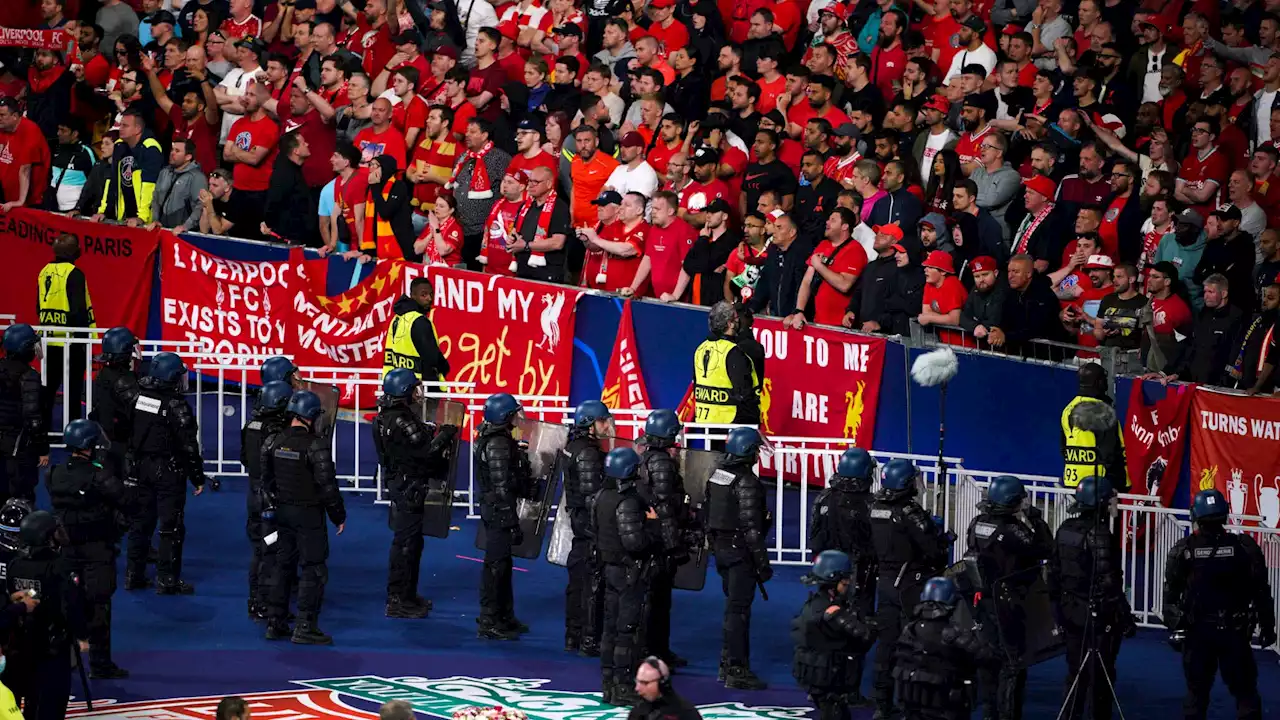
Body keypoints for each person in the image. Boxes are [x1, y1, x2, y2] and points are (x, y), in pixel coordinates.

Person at [1164, 489, 1276, 720]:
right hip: (1234, 633)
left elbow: (1170, 597)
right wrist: (1267, 627)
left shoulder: (1184, 550)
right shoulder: (1245, 547)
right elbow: (1262, 592)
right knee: (1246, 696)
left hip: (1199, 634)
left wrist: (1178, 627)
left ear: (1196, 515)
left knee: (1196, 696)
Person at [260, 390, 347, 645]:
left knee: (282, 564)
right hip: (309, 515)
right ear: (310, 416)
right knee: (314, 569)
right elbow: (327, 485)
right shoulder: (315, 445)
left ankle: (275, 622)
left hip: (282, 513)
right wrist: (338, 515)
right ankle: (305, 626)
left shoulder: (273, 441)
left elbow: (265, 481)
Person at [965, 474, 1053, 720]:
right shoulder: (1012, 529)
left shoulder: (977, 522)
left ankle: (989, 713)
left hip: (982, 600)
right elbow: (1045, 548)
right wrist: (1035, 518)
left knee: (989, 658)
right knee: (1013, 664)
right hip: (1009, 603)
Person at [869, 458, 952, 718]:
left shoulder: (875, 507)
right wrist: (941, 537)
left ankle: (882, 704)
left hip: (884, 582)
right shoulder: (910, 512)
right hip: (910, 585)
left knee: (886, 644)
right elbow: (934, 553)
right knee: (913, 647)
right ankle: (909, 706)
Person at [373, 369, 458, 620]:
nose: (417, 393)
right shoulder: (402, 420)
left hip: (399, 483)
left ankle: (406, 594)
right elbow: (427, 452)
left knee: (409, 542)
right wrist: (446, 434)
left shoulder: (383, 418)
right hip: (410, 486)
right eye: (413, 388)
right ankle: (398, 599)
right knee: (406, 544)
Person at [1048, 475, 1134, 720]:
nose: (1114, 505)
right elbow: (1109, 582)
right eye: (1111, 501)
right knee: (1101, 676)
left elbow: (1053, 574)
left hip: (1070, 612)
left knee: (1075, 672)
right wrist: (1124, 618)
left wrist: (1058, 610)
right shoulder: (1100, 535)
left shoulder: (1064, 529)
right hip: (1096, 617)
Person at [48, 419, 128, 680]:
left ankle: (64, 658)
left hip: (67, 547)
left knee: (67, 602)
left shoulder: (55, 473)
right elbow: (125, 500)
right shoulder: (99, 474)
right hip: (97, 549)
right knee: (99, 605)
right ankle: (100, 664)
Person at [125, 352, 206, 594]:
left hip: (139, 468)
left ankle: (134, 575)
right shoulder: (176, 406)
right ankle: (167, 579)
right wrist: (197, 477)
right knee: (171, 527)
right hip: (168, 472)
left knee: (141, 523)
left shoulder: (138, 396)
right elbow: (189, 446)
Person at [807, 447, 877, 707]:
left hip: (827, 576)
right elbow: (875, 545)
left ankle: (821, 684)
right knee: (857, 630)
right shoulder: (869, 504)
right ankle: (850, 689)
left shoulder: (824, 498)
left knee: (825, 629)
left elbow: (815, 539)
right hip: (859, 577)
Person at [4, 511, 88, 720]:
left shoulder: (15, 565)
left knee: (29, 697)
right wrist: (82, 635)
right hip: (53, 644)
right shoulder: (60, 566)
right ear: (47, 537)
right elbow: (72, 604)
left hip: (21, 643)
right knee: (52, 701)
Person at [593, 446, 659, 705]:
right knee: (626, 630)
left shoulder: (601, 496)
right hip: (629, 572)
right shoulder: (628, 502)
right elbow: (635, 543)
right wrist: (652, 526)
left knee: (610, 628)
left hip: (608, 569)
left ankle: (609, 682)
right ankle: (623, 686)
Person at [708, 426, 772, 690]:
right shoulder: (746, 481)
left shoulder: (718, 475)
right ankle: (736, 668)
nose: (758, 454)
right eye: (756, 449)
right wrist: (762, 563)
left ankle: (728, 664)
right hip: (739, 554)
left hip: (722, 551)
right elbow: (751, 529)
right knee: (738, 612)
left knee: (733, 609)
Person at [891, 576, 993, 720]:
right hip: (945, 710)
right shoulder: (952, 634)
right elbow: (987, 656)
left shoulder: (909, 630)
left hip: (912, 708)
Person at [792, 550, 877, 720]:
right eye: (845, 580)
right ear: (834, 581)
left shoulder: (813, 604)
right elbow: (865, 637)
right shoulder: (833, 611)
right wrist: (873, 625)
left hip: (815, 677)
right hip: (830, 680)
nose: (848, 583)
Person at [474, 392, 530, 640]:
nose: (518, 417)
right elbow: (501, 488)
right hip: (498, 511)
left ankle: (504, 615)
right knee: (496, 566)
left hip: (498, 510)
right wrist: (512, 521)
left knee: (503, 565)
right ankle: (489, 619)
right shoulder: (497, 443)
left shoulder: (499, 439)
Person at [635, 408, 688, 669]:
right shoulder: (662, 464)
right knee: (658, 600)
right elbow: (665, 506)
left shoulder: (646, 458)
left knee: (656, 600)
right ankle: (655, 652)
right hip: (660, 544)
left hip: (652, 538)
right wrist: (674, 545)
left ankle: (658, 650)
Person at [562, 400, 613, 655]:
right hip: (589, 523)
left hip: (579, 520)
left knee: (578, 578)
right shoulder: (589, 453)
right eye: (603, 420)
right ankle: (589, 638)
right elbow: (592, 494)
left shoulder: (575, 446)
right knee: (591, 581)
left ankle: (574, 634)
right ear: (590, 424)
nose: (607, 425)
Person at [240, 380, 293, 621]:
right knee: (270, 551)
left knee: (260, 551)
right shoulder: (277, 432)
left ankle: (258, 600)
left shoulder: (250, 425)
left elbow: (244, 459)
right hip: (270, 499)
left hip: (254, 493)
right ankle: (264, 604)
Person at [37, 234, 94, 425]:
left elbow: (39, 306)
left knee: (48, 389)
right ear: (73, 252)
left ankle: (44, 430)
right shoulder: (74, 273)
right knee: (73, 390)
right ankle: (73, 431)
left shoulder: (44, 271)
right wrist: (83, 341)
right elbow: (78, 310)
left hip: (48, 339)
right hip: (71, 341)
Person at [1059, 362, 1128, 491]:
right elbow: (1110, 453)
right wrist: (1119, 482)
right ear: (1100, 383)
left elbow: (1064, 447)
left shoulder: (1068, 409)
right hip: (1099, 484)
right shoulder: (1102, 411)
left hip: (1072, 480)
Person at [0, 325, 49, 506]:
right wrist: (43, 449)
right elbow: (33, 417)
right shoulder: (29, 376)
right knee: (22, 498)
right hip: (19, 447)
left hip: (5, 443)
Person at [691, 301, 759, 424]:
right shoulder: (733, 352)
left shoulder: (700, 348)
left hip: (704, 421)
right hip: (730, 421)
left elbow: (696, 383)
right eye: (736, 318)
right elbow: (744, 393)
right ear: (730, 324)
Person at [382, 276, 450, 383]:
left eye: (431, 294)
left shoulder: (397, 318)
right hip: (420, 388)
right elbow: (432, 357)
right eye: (424, 295)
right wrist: (445, 367)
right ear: (413, 296)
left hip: (395, 384)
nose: (429, 298)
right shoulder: (419, 321)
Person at [630, 656, 701, 720]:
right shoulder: (639, 710)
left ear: (662, 684)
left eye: (644, 683)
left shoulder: (685, 713)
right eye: (637, 682)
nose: (637, 688)